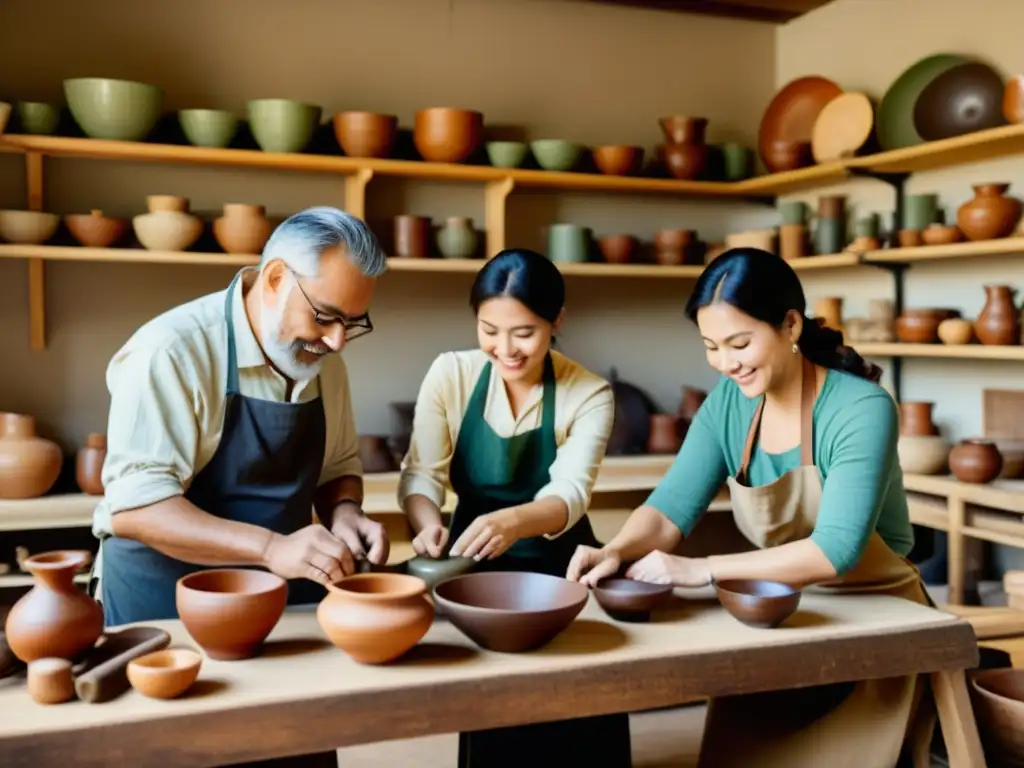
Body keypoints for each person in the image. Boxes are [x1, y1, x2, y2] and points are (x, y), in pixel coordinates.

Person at [567, 247, 934, 768]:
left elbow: (836, 550)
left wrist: (700, 570)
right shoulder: (728, 404)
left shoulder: (860, 408)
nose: (725, 363)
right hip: (778, 611)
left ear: (790, 325)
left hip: (879, 622)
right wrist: (617, 550)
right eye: (711, 347)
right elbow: (671, 506)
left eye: (740, 343)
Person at [93, 206, 391, 628]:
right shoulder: (171, 351)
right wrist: (270, 548)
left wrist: (345, 513)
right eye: (325, 316)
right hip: (165, 608)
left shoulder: (324, 361)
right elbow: (136, 507)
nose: (338, 340)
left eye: (352, 321)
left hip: (283, 605)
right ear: (274, 279)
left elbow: (337, 469)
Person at [398, 248, 631, 766]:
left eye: (523, 332)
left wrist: (512, 521)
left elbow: (569, 493)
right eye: (489, 330)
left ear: (557, 321)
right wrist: (427, 522)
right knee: (496, 710)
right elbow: (422, 474)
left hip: (562, 566)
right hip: (472, 565)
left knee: (576, 707)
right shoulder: (450, 375)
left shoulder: (589, 393)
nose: (505, 349)